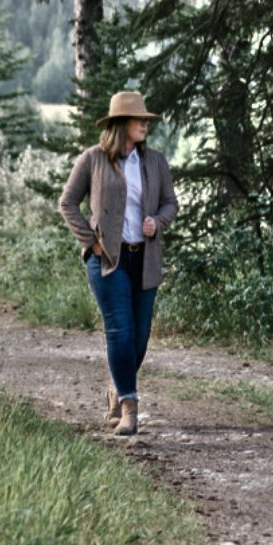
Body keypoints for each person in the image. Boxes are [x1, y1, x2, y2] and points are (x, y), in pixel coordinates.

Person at [57, 90, 178, 435]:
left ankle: (116, 386)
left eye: (145, 120)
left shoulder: (154, 161)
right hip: (108, 261)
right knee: (120, 332)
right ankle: (129, 407)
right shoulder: (93, 159)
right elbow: (67, 203)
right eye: (139, 119)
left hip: (145, 259)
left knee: (138, 339)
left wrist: (158, 220)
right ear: (121, 124)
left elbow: (171, 203)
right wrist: (91, 242)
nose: (145, 124)